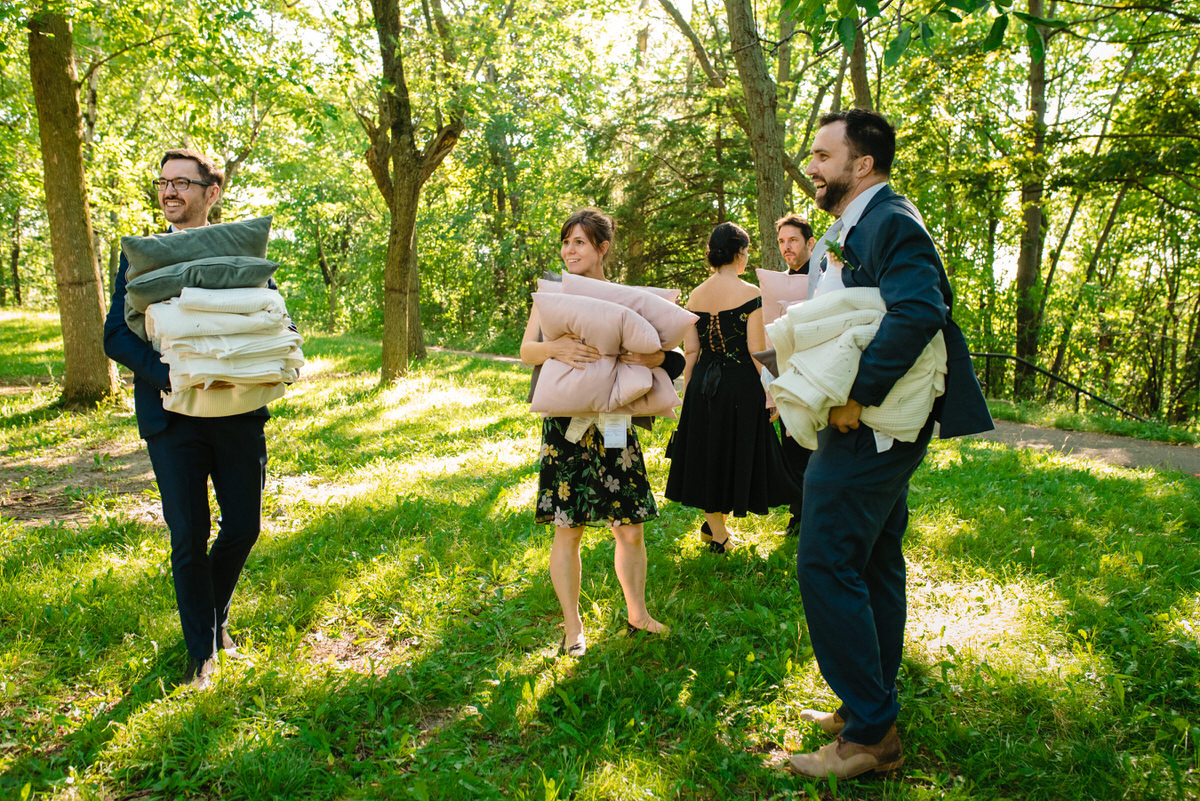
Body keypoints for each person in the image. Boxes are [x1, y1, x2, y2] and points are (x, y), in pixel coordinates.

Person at [785, 110, 993, 778]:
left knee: (824, 561)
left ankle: (871, 735)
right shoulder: (853, 224)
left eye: (822, 154)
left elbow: (921, 308)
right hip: (863, 423)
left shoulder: (891, 220)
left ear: (862, 164)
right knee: (873, 562)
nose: (811, 165)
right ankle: (865, 703)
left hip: (868, 425)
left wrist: (858, 395)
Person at [104, 149, 268, 690]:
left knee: (244, 526)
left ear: (210, 192)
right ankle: (203, 653)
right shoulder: (139, 257)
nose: (170, 191)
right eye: (163, 182)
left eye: (182, 182)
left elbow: (264, 316)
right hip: (170, 415)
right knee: (189, 534)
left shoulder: (238, 252)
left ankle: (212, 616)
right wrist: (166, 372)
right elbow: (115, 336)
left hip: (237, 409)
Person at [520, 208, 676, 657]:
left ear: (602, 248)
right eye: (566, 242)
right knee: (567, 530)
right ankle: (573, 628)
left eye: (580, 242)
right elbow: (528, 351)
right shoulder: (551, 294)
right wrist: (554, 347)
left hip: (615, 426)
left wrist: (659, 360)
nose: (570, 251)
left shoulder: (627, 297)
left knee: (630, 530)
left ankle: (637, 614)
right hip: (566, 427)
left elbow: (667, 349)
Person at [664, 222, 797, 552]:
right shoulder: (751, 294)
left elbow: (692, 350)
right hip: (740, 386)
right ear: (739, 253)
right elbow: (755, 350)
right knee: (733, 452)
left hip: (703, 385)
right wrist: (771, 393)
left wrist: (689, 394)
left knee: (710, 454)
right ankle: (720, 536)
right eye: (746, 251)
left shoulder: (695, 294)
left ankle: (715, 529)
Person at [773, 214, 817, 536]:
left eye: (793, 241)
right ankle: (799, 514)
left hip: (820, 372)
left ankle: (820, 514)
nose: (787, 248)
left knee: (820, 446)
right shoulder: (777, 283)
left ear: (810, 243)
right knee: (792, 447)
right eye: (782, 242)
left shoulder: (827, 277)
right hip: (787, 371)